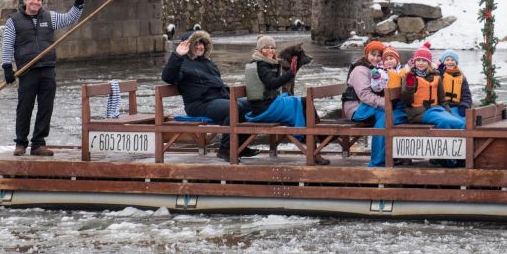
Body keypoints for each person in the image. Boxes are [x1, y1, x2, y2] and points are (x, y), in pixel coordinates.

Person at [2, 0, 86, 156]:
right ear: (26, 0)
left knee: (46, 107)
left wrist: (78, 3)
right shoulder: (14, 21)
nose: (36, 2)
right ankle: (20, 143)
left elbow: (70, 19)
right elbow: (7, 45)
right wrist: (7, 67)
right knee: (25, 107)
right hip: (27, 70)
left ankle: (38, 144)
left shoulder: (50, 17)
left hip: (47, 69)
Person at [161, 30, 255, 160]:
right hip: (198, 104)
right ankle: (225, 149)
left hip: (217, 100)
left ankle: (240, 146)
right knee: (234, 108)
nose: (200, 46)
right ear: (187, 46)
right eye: (196, 44)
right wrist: (177, 55)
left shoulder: (207, 62)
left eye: (202, 43)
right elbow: (168, 77)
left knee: (252, 103)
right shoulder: (182, 63)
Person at [244, 35, 328, 165]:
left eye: (273, 48)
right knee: (302, 104)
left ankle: (316, 145)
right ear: (260, 50)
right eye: (267, 48)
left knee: (303, 104)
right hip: (265, 109)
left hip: (268, 105)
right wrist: (291, 73)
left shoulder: (265, 63)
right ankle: (318, 141)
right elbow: (272, 83)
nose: (271, 50)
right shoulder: (261, 65)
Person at [342, 40, 405, 167]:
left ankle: (394, 155)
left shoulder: (380, 69)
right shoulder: (360, 70)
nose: (376, 58)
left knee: (399, 115)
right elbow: (365, 95)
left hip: (374, 105)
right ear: (367, 54)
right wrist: (387, 103)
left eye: (379, 55)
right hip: (357, 108)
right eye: (373, 54)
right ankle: (378, 161)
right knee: (386, 118)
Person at [437, 50, 473, 118]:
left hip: (457, 107)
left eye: (452, 60)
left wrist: (464, 105)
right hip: (442, 106)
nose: (450, 62)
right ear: (443, 62)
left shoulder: (462, 78)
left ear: (456, 62)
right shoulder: (438, 75)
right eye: (447, 60)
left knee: (464, 121)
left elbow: (466, 96)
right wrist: (439, 73)